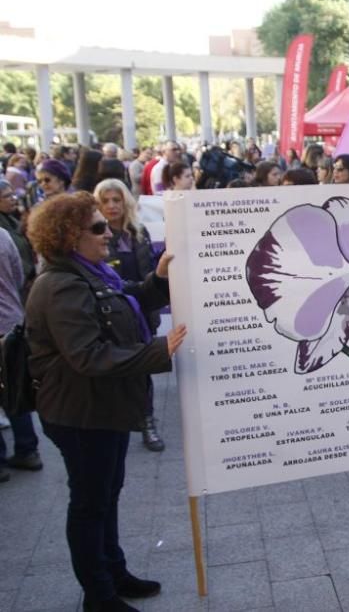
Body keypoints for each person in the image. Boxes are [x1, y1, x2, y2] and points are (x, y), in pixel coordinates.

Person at [25, 191, 186, 611]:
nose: (108, 233)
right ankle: (98, 595)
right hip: (80, 414)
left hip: (101, 407)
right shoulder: (60, 285)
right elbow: (88, 355)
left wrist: (160, 279)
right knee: (90, 502)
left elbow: (125, 300)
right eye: (97, 228)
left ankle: (114, 572)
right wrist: (158, 350)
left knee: (106, 493)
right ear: (68, 237)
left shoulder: (90, 273)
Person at [94, 179, 165, 451]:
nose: (112, 206)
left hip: (141, 311)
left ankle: (147, 421)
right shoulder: (94, 234)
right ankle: (117, 420)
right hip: (110, 312)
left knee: (143, 369)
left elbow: (149, 273)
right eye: (106, 201)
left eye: (117, 200)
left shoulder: (138, 232)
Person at [0, 225, 42, 482]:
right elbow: (18, 276)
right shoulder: (3, 235)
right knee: (13, 384)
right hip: (11, 321)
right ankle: (28, 449)